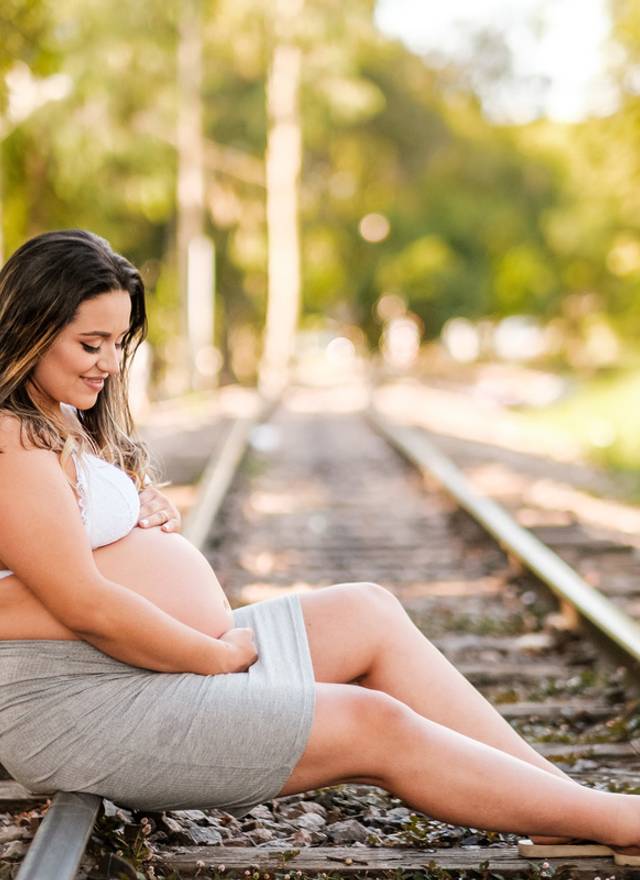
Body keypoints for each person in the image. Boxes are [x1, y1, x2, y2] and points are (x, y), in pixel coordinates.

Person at [0, 229, 638, 866]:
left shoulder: (55, 416)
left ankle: (561, 802)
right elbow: (82, 604)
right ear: (31, 328)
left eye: (118, 343)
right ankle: (613, 817)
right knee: (372, 723)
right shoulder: (12, 440)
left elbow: (65, 549)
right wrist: (211, 657)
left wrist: (136, 513)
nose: (109, 363)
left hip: (134, 664)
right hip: (78, 701)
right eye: (91, 343)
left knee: (367, 611)